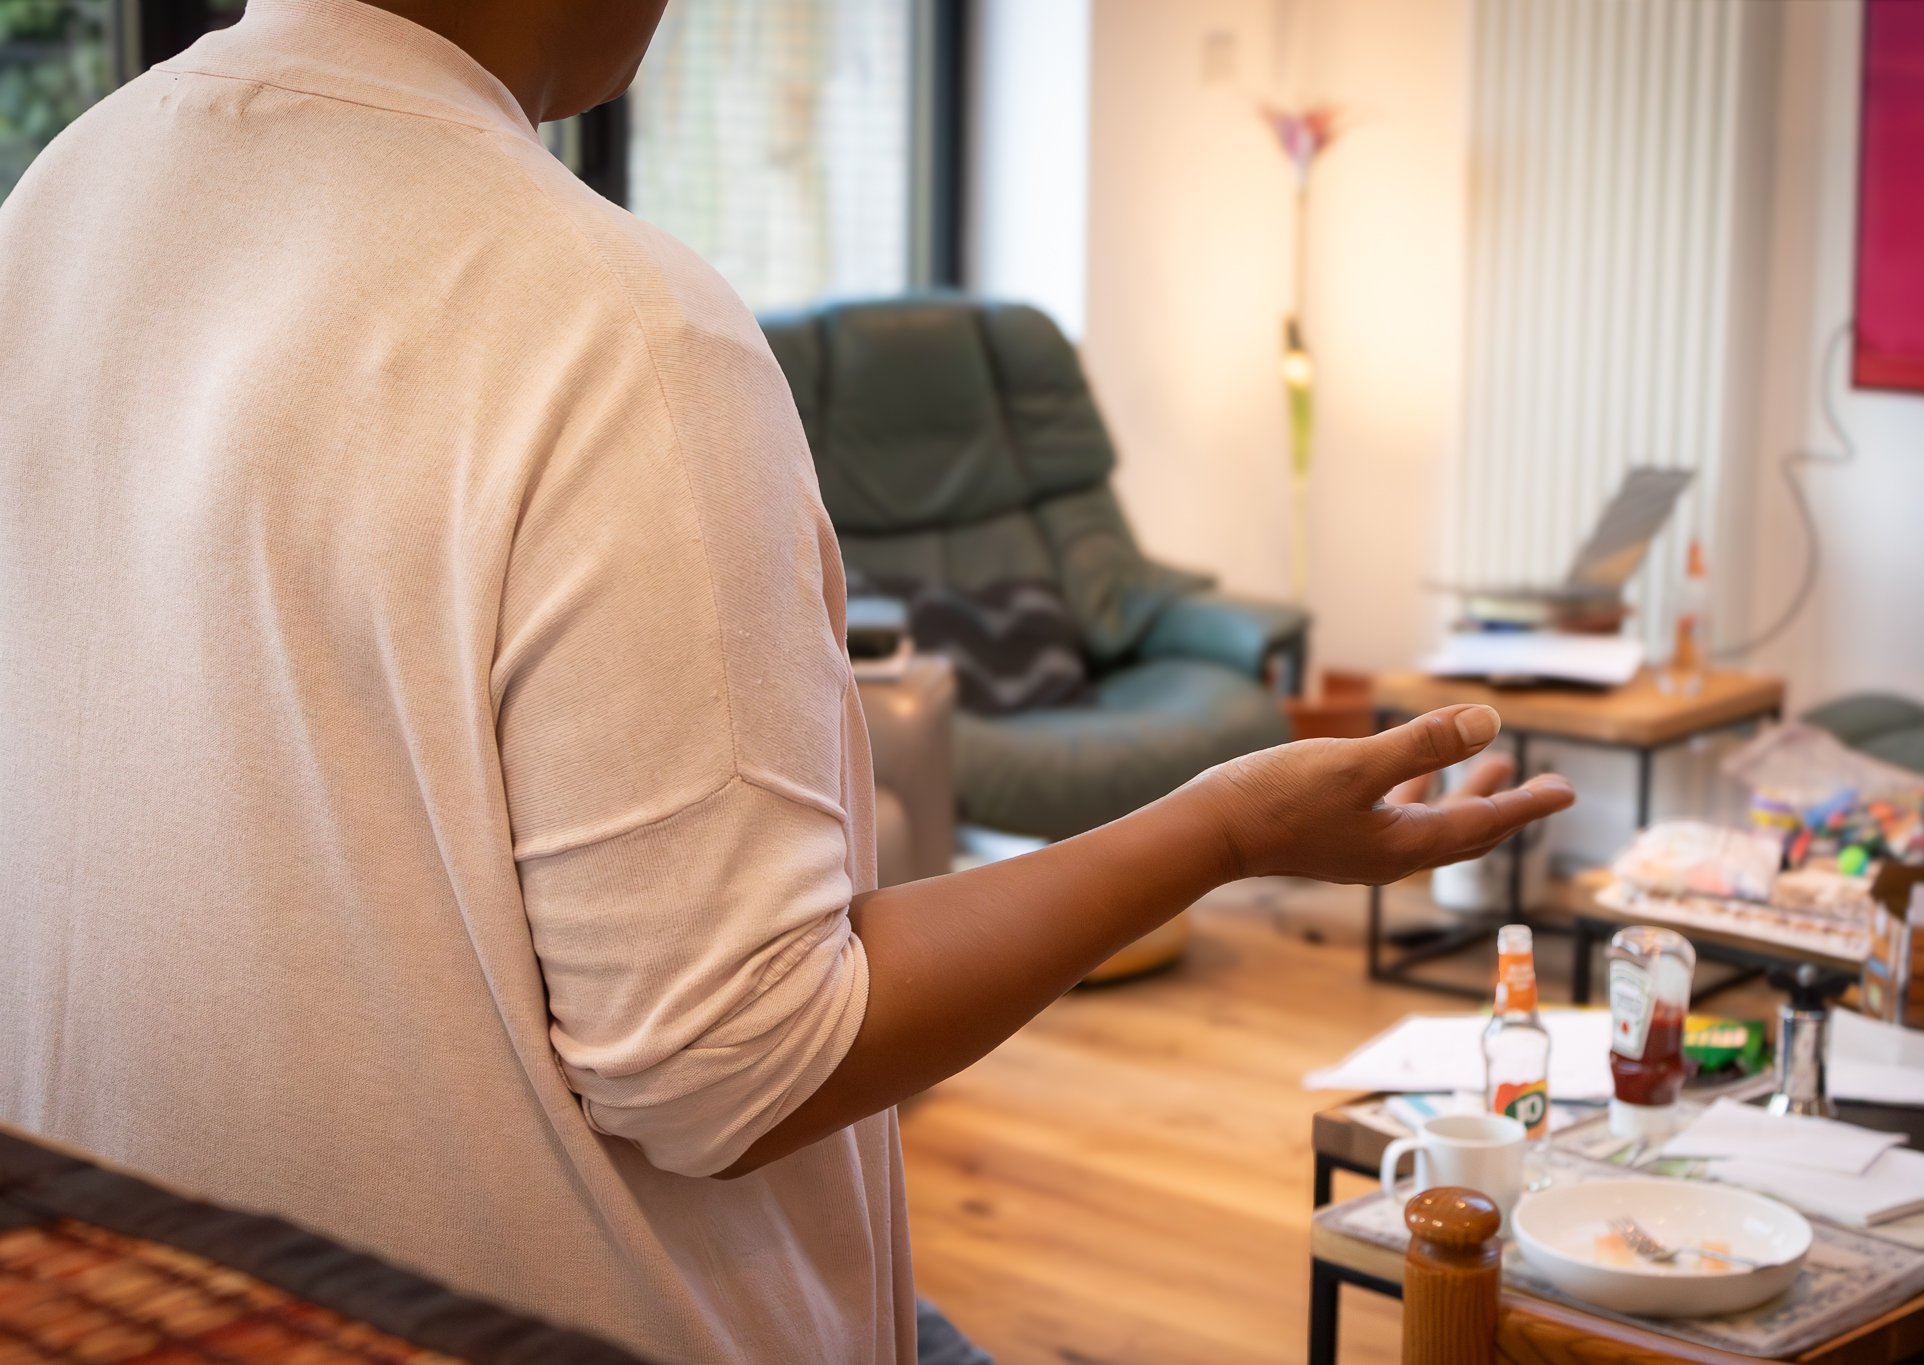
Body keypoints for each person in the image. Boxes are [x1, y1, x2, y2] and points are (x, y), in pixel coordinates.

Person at [0, 1, 1574, 1360]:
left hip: (158, 1286)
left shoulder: (60, 201)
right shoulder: (613, 323)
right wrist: (1220, 831)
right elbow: (735, 1061)